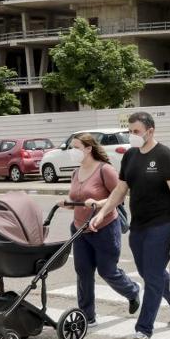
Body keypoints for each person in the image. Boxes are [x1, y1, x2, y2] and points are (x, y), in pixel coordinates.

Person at [88, 111, 170, 339]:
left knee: (154, 277)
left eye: (136, 131)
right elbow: (120, 190)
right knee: (148, 273)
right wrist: (103, 212)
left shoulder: (166, 156)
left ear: (150, 131)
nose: (132, 136)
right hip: (139, 227)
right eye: (130, 131)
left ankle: (143, 329)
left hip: (162, 225)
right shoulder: (131, 156)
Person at [61, 133, 140, 325]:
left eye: (76, 147)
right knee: (83, 272)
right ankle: (87, 316)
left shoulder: (105, 170)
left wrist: (97, 203)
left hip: (104, 227)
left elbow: (119, 196)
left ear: (88, 149)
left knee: (107, 270)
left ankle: (132, 291)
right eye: (71, 147)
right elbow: (78, 200)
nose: (72, 151)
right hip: (80, 229)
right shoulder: (75, 172)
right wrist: (68, 204)